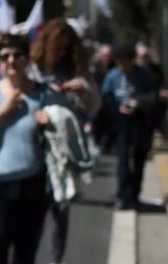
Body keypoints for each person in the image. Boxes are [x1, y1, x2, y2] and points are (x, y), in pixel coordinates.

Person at [0, 33, 65, 264]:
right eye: (5, 56)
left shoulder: (43, 93)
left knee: (26, 250)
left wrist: (52, 121)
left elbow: (64, 129)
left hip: (33, 183)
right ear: (0, 60)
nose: (11, 60)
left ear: (27, 59)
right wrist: (6, 108)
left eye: (17, 55)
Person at [30, 19, 101, 264]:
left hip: (65, 149)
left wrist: (82, 90)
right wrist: (36, 114)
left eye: (66, 48)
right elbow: (21, 99)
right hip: (37, 146)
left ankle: (55, 260)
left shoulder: (78, 70)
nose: (61, 53)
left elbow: (94, 105)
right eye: (57, 47)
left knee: (61, 210)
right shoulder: (33, 67)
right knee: (34, 212)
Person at [101, 43, 159, 210]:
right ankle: (122, 194)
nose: (122, 67)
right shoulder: (112, 76)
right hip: (121, 122)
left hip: (140, 121)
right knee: (123, 159)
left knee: (139, 159)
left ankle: (134, 194)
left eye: (125, 62)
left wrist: (138, 103)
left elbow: (152, 96)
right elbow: (106, 97)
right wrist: (116, 109)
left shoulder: (144, 75)